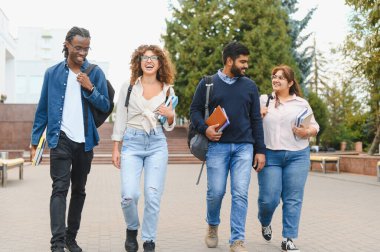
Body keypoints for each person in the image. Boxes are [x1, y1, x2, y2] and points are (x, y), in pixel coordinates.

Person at [30, 27, 110, 252]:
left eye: (86, 48)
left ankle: (70, 237)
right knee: (59, 188)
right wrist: (36, 138)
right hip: (60, 139)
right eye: (78, 48)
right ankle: (56, 244)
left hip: (84, 141)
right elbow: (43, 108)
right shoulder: (52, 73)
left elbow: (106, 105)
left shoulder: (95, 73)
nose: (82, 53)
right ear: (67, 45)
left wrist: (90, 88)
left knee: (79, 190)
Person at [190, 41, 266, 252]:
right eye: (242, 61)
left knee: (240, 193)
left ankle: (237, 240)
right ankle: (213, 225)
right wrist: (205, 129)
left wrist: (260, 150)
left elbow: (256, 120)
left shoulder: (250, 86)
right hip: (217, 147)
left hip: (244, 147)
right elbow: (194, 111)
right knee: (216, 192)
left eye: (247, 62)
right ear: (229, 60)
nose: (246, 66)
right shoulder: (207, 83)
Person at [111, 45, 176, 252]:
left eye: (154, 57)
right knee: (129, 195)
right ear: (139, 62)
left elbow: (169, 124)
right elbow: (120, 117)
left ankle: (149, 240)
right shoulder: (128, 87)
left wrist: (170, 115)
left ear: (160, 63)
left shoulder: (167, 89)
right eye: (145, 58)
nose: (149, 61)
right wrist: (116, 147)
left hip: (157, 142)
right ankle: (132, 229)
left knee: (152, 194)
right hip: (132, 142)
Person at [257, 65, 319, 252]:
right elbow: (251, 123)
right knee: (269, 198)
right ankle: (265, 221)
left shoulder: (301, 103)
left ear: (290, 83)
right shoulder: (263, 100)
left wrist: (305, 131)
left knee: (293, 198)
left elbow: (315, 127)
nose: (276, 80)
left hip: (297, 155)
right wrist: (259, 116)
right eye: (274, 76)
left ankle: (288, 239)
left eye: (281, 78)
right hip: (270, 155)